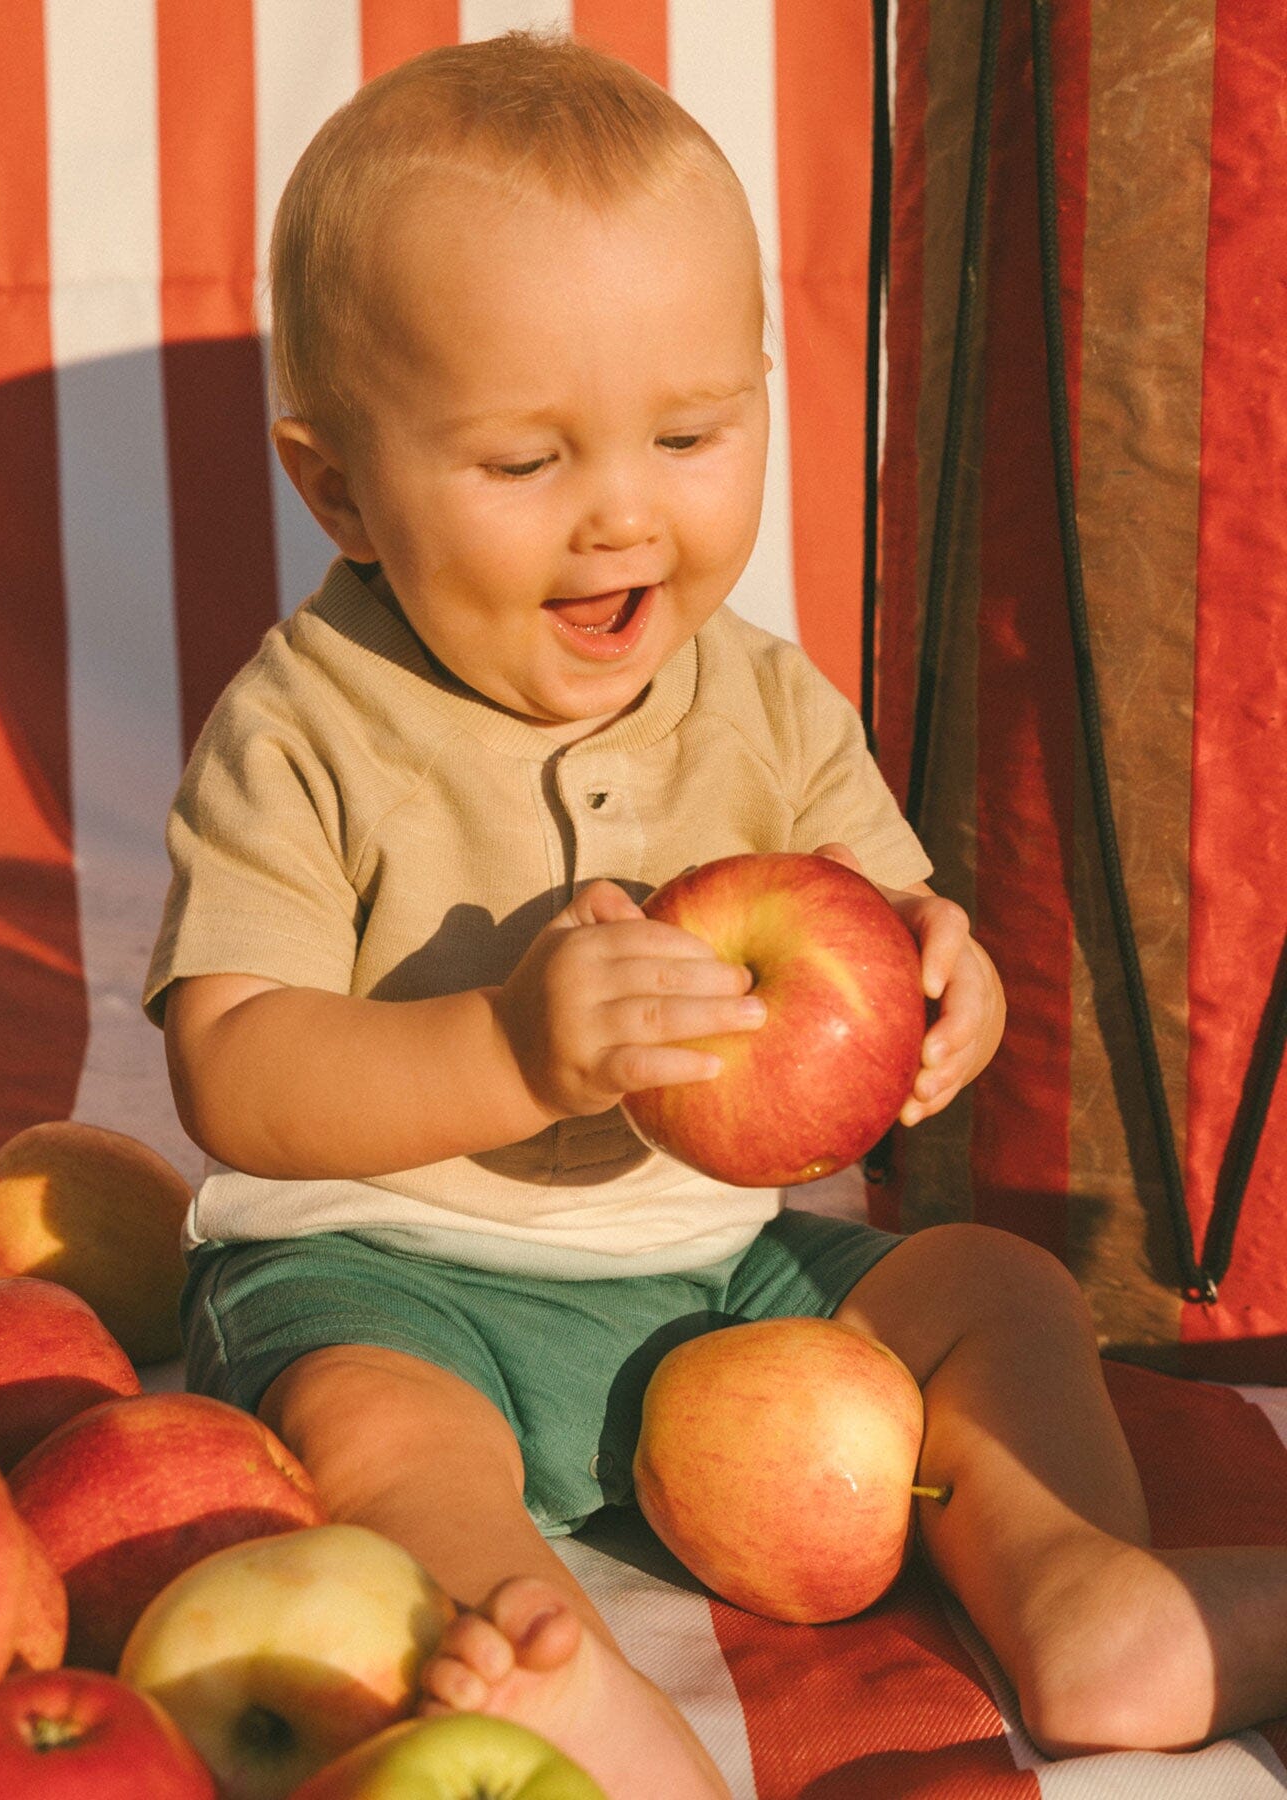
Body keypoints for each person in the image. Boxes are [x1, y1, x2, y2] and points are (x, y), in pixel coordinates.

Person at [145, 32, 1287, 1799]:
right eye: (525, 463)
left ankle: (1092, 1596)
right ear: (341, 489)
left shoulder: (756, 695)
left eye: (691, 433)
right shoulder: (304, 725)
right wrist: (511, 1045)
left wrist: (935, 976)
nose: (624, 511)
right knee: (372, 1426)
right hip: (390, 1266)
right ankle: (543, 1669)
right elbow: (234, 1069)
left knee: (990, 1278)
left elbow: (877, 901)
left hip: (715, 1275)